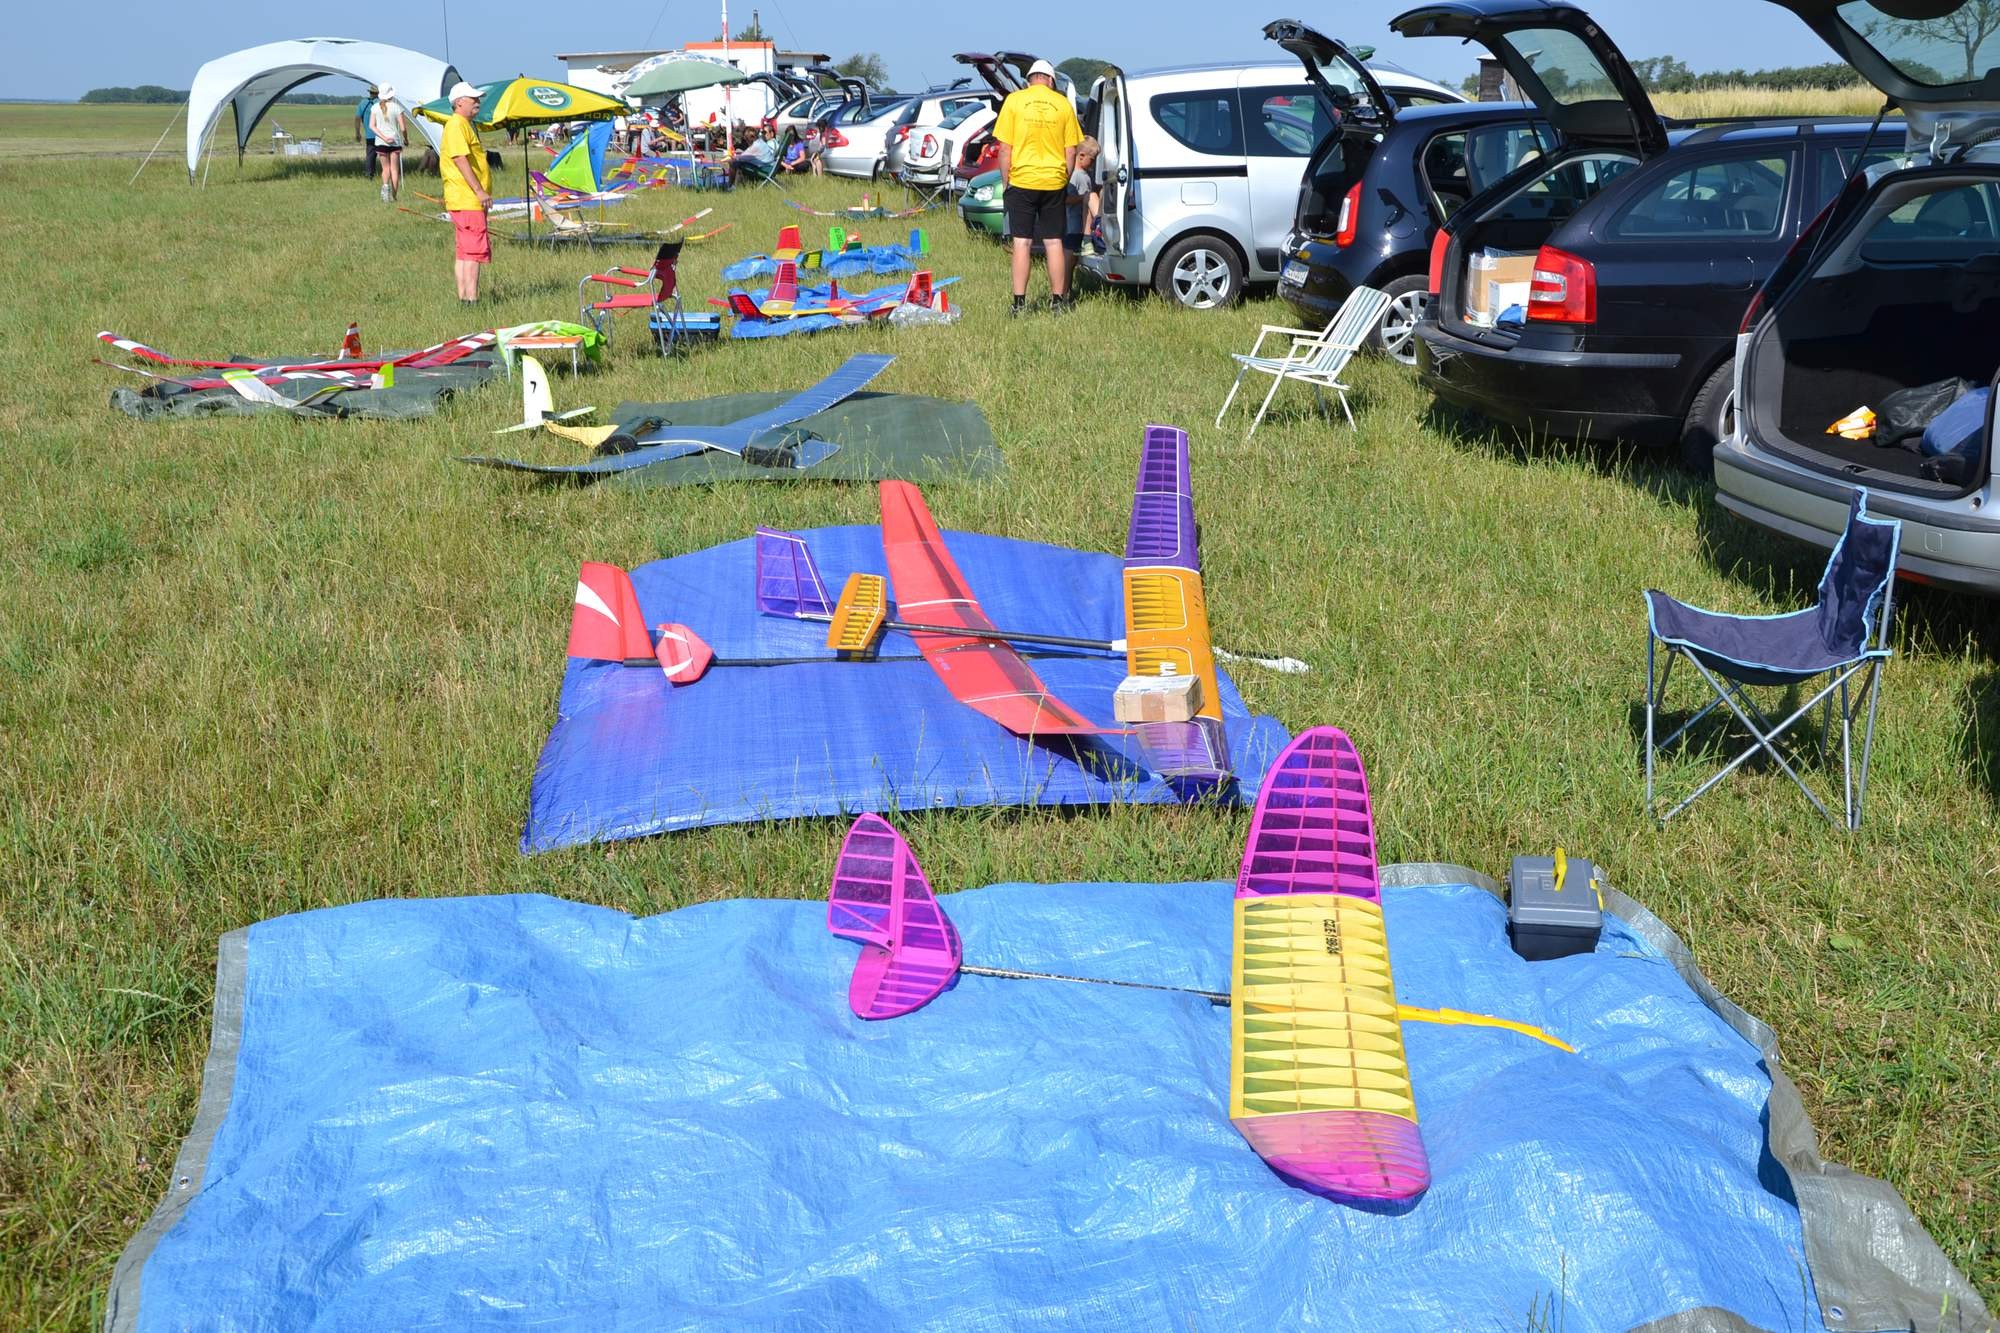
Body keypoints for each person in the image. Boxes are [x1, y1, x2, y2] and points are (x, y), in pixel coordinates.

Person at [992, 59, 1083, 315]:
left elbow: (1004, 149)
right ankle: (1058, 301)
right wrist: (1063, 180)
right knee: (1054, 242)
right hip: (1053, 180)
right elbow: (1071, 150)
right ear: (1051, 80)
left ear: (1029, 80)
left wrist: (1006, 182)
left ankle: (1019, 304)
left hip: (1022, 180)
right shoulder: (1063, 104)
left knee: (1022, 243)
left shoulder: (1014, 101)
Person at [439, 81, 493, 303]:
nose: (478, 102)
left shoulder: (461, 124)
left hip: (462, 198)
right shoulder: (457, 125)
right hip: (467, 198)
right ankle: (471, 299)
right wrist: (479, 190)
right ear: (460, 102)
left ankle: (464, 299)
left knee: (464, 251)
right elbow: (460, 159)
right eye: (473, 99)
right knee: (474, 251)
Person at [1063, 136, 1100, 291]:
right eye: (1092, 160)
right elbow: (1066, 199)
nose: (1093, 164)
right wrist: (1084, 197)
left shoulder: (1083, 175)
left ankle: (1066, 290)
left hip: (1078, 226)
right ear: (1081, 156)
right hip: (1074, 226)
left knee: (1072, 262)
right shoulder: (1076, 175)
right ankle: (1064, 291)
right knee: (1069, 261)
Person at [368, 86, 409, 202]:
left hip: (381, 142)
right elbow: (403, 128)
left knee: (385, 169)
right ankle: (394, 196)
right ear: (391, 95)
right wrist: (406, 139)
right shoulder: (397, 108)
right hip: (395, 142)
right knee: (394, 170)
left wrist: (384, 138)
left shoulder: (375, 108)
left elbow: (372, 126)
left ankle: (385, 187)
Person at [354, 86, 378, 179]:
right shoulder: (381, 103)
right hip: (382, 134)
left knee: (370, 156)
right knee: (385, 155)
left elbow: (357, 118)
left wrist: (357, 133)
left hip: (369, 134)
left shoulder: (363, 102)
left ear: (370, 92)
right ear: (378, 93)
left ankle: (369, 175)